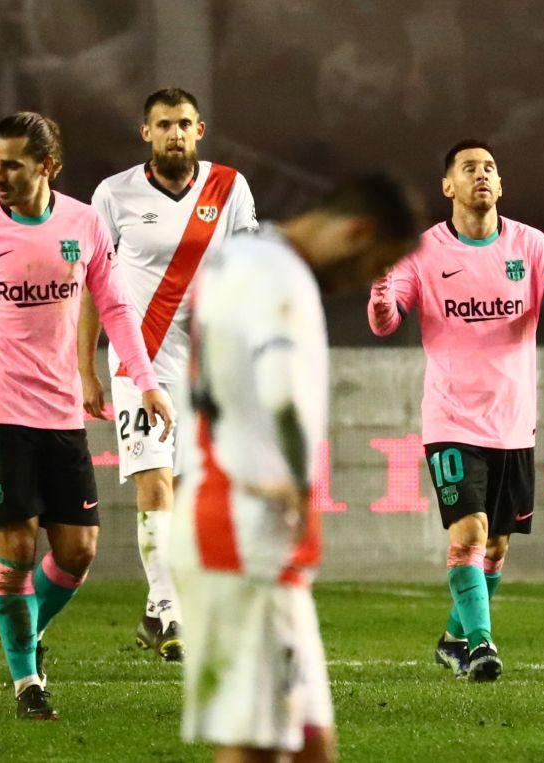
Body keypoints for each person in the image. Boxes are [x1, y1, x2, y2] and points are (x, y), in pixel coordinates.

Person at [0, 112, 173, 720]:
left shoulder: (82, 224)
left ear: (47, 167)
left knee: (79, 550)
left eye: (12, 164)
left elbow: (114, 307)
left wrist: (145, 381)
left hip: (60, 413)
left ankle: (27, 632)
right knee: (18, 545)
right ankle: (27, 680)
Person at [173, 174, 423, 762]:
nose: (364, 281)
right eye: (375, 263)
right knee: (255, 746)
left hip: (237, 518)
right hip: (244, 526)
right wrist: (297, 480)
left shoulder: (235, 256)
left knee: (309, 744)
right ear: (356, 232)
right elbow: (281, 387)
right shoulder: (279, 274)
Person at [368, 140, 544, 681]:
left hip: (512, 423)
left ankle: (454, 638)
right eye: (469, 168)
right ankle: (481, 645)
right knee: (470, 533)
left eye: (490, 168)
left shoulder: (530, 246)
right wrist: (382, 282)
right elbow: (386, 322)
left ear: (500, 185)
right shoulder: (424, 253)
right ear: (448, 186)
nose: (482, 175)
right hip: (451, 419)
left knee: (496, 548)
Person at [78, 87, 257, 660]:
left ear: (199, 130)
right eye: (164, 125)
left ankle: (157, 610)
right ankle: (173, 613)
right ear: (145, 133)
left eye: (184, 124)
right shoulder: (113, 194)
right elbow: (92, 286)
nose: (175, 134)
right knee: (155, 483)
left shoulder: (229, 188)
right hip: (139, 358)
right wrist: (85, 368)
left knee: (191, 491)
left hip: (205, 361)